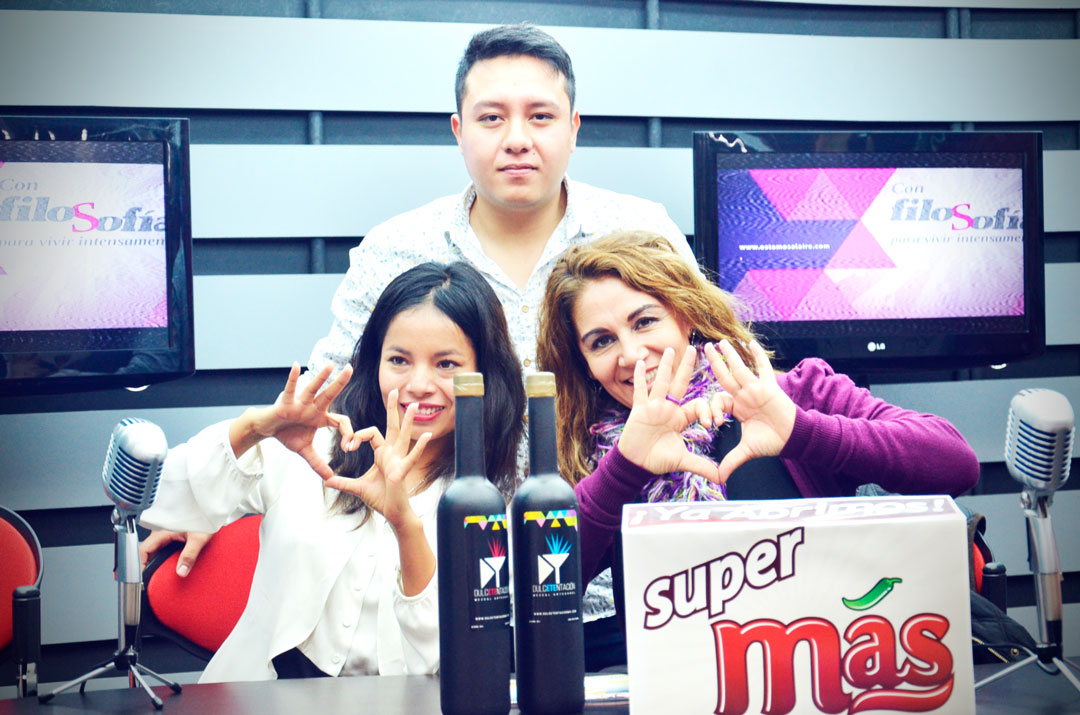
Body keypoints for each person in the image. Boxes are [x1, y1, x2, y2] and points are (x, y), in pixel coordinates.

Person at [141, 23, 693, 667]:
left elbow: (708, 368)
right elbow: (326, 397)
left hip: (610, 591)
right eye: (492, 117)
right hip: (440, 581)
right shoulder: (396, 249)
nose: (517, 138)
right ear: (459, 129)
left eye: (541, 116)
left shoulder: (639, 229)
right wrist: (207, 500)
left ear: (574, 127)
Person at [139, 262, 524, 682]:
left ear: (485, 375)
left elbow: (451, 661)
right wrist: (253, 428)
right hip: (266, 698)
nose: (419, 384)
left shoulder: (494, 503)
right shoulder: (314, 448)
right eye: (398, 360)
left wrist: (404, 524)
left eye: (446, 364)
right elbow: (158, 498)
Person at [535, 231, 981, 586]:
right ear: (585, 364)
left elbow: (956, 464)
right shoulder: (591, 450)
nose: (631, 355)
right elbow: (546, 578)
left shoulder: (792, 394)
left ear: (685, 316)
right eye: (602, 341)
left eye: (645, 321)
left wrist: (801, 431)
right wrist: (623, 469)